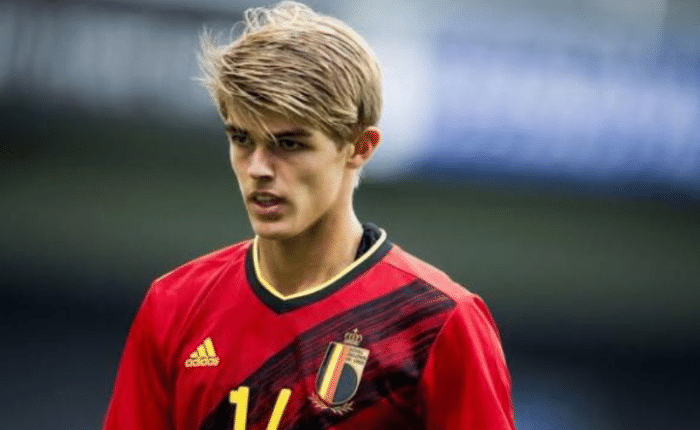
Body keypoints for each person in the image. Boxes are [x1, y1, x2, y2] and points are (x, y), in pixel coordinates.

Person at [102, 2, 516, 429]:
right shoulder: (174, 306)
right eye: (242, 139)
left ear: (360, 147)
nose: (258, 168)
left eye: (289, 144)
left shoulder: (439, 322)